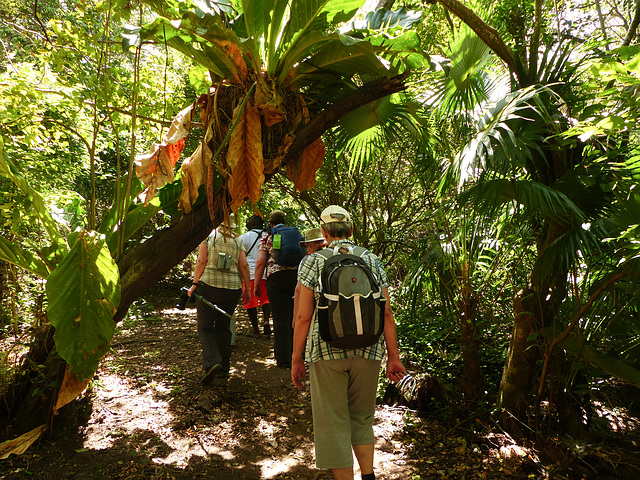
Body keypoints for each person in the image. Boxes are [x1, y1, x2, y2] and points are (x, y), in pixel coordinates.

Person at [291, 205, 406, 480]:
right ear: (351, 229)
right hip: (370, 349)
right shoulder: (372, 260)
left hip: (325, 351)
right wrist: (394, 356)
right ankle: (368, 475)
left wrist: (296, 358)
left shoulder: (313, 261)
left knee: (333, 421)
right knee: (362, 417)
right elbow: (386, 312)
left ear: (323, 232)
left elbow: (304, 317)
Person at [188, 221, 251, 385]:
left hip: (209, 286)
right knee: (224, 327)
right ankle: (224, 367)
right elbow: (243, 265)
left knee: (205, 327)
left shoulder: (208, 236)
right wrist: (248, 289)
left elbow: (202, 260)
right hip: (232, 288)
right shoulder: (238, 240)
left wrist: (194, 284)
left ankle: (212, 362)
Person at [253, 209, 300, 369]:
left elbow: (260, 262)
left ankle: (283, 359)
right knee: (295, 318)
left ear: (271, 223)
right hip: (296, 279)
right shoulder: (296, 234)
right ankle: (297, 355)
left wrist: (256, 285)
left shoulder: (267, 235)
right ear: (284, 221)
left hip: (276, 279)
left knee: (280, 319)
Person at [239, 215, 271, 337]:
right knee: (265, 300)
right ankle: (266, 320)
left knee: (250, 302)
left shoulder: (244, 238)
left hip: (250, 274)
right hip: (265, 273)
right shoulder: (267, 236)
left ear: (252, 224)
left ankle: (256, 330)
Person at [292, 227, 326, 327]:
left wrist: (296, 317)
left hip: (313, 307)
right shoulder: (333, 257)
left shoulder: (307, 260)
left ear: (308, 244)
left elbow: (299, 289)